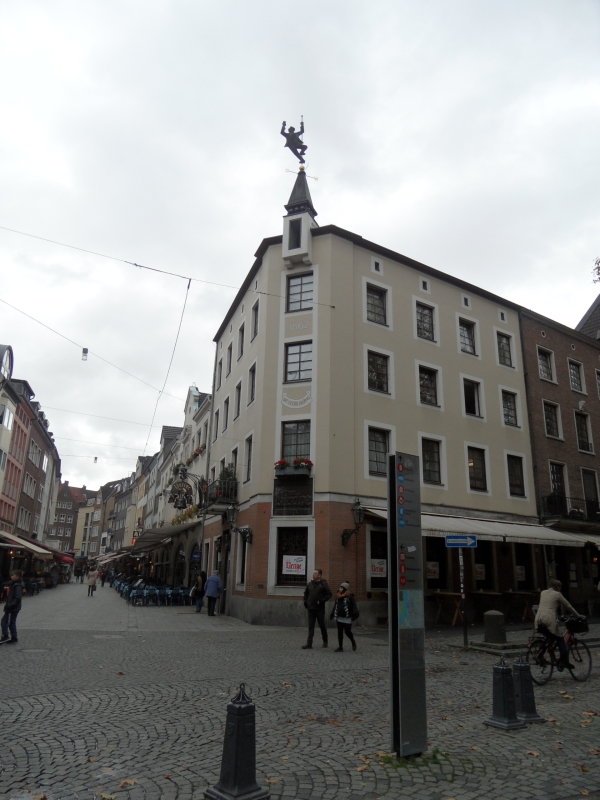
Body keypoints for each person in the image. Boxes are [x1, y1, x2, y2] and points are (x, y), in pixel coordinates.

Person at [535, 579, 583, 669]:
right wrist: (578, 616)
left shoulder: (543, 592)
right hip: (549, 620)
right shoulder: (557, 594)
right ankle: (565, 662)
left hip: (539, 619)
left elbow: (549, 606)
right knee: (560, 639)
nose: (560, 589)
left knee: (550, 637)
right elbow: (568, 606)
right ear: (558, 587)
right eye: (560, 587)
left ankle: (540, 655)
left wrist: (558, 616)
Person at [302, 569, 332, 649]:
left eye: (315, 573)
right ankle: (309, 643)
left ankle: (325, 641)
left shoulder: (323, 584)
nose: (313, 575)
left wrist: (322, 600)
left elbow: (329, 594)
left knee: (322, 625)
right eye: (313, 573)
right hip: (311, 608)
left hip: (319, 609)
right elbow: (306, 593)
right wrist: (305, 601)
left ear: (319, 575)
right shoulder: (310, 584)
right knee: (311, 626)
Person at [330, 581, 358, 652]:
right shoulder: (338, 596)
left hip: (347, 617)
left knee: (347, 631)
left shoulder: (350, 596)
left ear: (345, 589)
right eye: (340, 587)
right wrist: (332, 614)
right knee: (340, 632)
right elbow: (335, 605)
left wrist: (354, 615)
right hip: (339, 616)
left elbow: (354, 606)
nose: (340, 589)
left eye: (341, 588)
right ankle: (340, 647)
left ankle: (353, 641)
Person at [1, 570, 24, 644]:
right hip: (13, 607)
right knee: (10, 622)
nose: (11, 577)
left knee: (5, 621)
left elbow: (18, 597)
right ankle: (13, 637)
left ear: (17, 576)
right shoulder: (14, 583)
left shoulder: (17, 585)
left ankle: (6, 636)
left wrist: (10, 604)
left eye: (12, 575)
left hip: (12, 607)